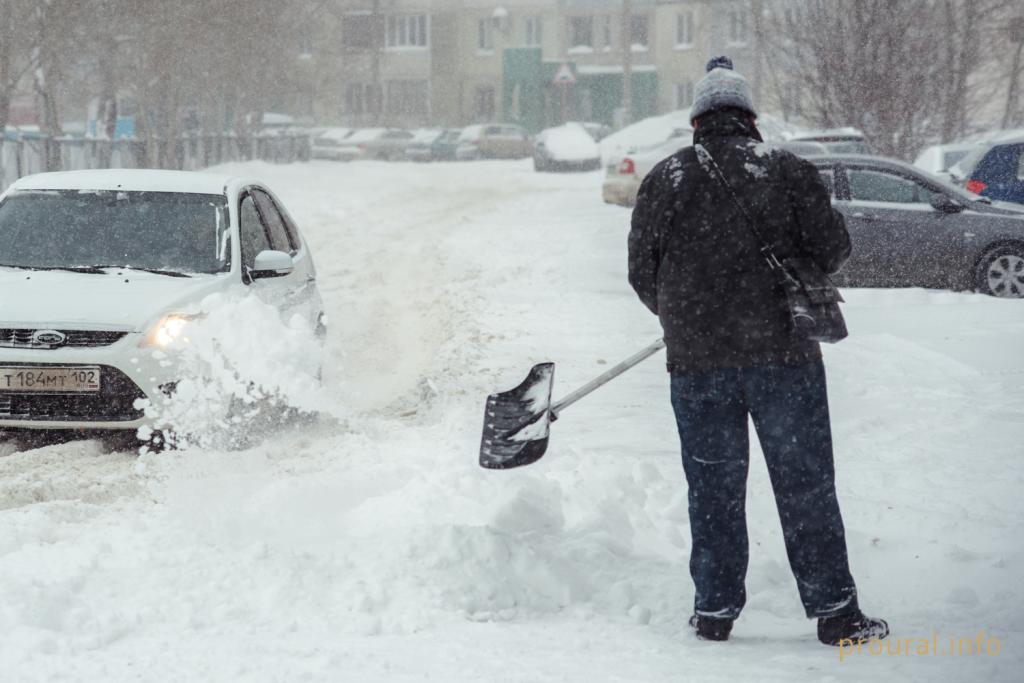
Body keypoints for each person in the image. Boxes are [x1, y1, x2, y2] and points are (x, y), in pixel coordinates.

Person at [627, 56, 888, 646]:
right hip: (785, 360)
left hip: (697, 366)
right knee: (805, 483)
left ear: (698, 122)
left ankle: (714, 611)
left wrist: (690, 319)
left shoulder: (666, 178)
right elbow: (831, 248)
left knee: (713, 488)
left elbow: (643, 273)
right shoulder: (785, 169)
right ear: (749, 118)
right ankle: (835, 612)